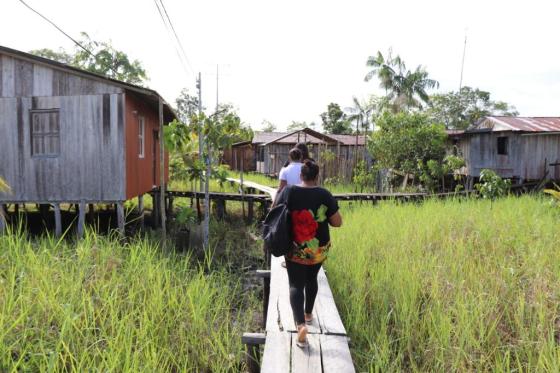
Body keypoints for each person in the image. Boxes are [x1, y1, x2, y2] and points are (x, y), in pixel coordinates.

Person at [275, 160, 342, 347]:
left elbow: (275, 212)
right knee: (311, 279)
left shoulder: (289, 191)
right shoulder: (324, 194)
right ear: (317, 176)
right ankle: (308, 314)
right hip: (318, 250)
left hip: (295, 248)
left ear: (301, 175)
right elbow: (337, 222)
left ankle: (300, 325)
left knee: (295, 284)